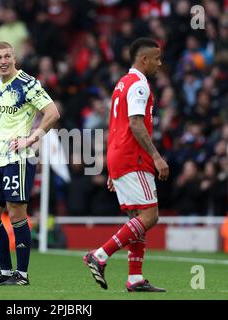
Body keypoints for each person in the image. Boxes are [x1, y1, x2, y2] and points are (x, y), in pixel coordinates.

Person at [84, 38, 169, 292]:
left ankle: (135, 279)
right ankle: (99, 255)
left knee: (136, 217)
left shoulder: (122, 83)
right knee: (150, 215)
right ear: (144, 59)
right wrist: (156, 156)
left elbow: (116, 126)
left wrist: (112, 165)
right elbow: (134, 123)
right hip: (134, 157)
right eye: (157, 58)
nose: (159, 63)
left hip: (119, 155)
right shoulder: (139, 85)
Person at [0, 41, 60, 286]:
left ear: (14, 58)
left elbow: (52, 112)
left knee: (16, 213)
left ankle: (22, 275)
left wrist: (32, 138)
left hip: (19, 158)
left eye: (6, 56)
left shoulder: (28, 83)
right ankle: (5, 272)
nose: (2, 61)